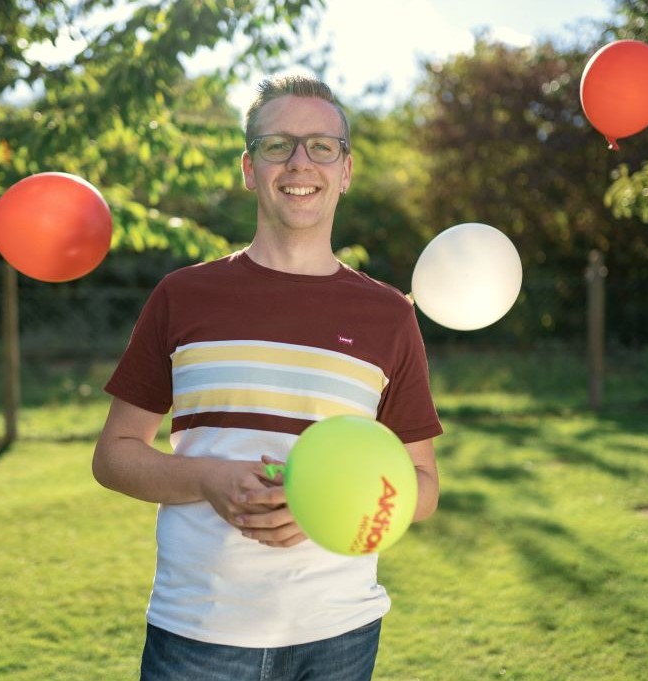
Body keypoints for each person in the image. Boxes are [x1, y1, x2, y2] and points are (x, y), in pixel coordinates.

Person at [92, 74, 442, 681]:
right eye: (278, 144)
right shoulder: (182, 295)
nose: (300, 161)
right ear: (250, 167)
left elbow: (423, 488)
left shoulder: (389, 315)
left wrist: (323, 506)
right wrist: (207, 479)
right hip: (198, 629)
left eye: (321, 146)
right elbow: (114, 456)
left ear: (346, 169)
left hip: (338, 632)